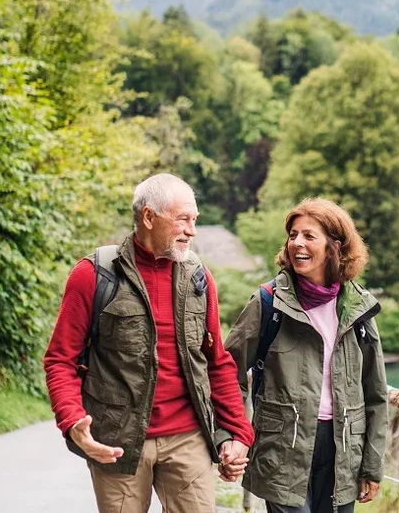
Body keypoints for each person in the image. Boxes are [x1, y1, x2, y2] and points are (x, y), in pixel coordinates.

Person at [44, 173, 254, 513]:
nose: (192, 230)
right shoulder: (93, 274)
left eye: (195, 220)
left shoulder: (198, 276)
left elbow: (216, 361)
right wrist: (72, 420)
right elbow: (59, 360)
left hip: (188, 437)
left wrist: (238, 432)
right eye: (183, 219)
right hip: (118, 442)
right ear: (148, 216)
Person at [225, 198, 389, 513]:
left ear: (334, 247)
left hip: (343, 450)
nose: (296, 243)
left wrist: (372, 464)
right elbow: (226, 371)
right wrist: (234, 433)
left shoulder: (358, 308)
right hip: (283, 446)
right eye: (293, 235)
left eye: (309, 236)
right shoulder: (268, 302)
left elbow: (376, 394)